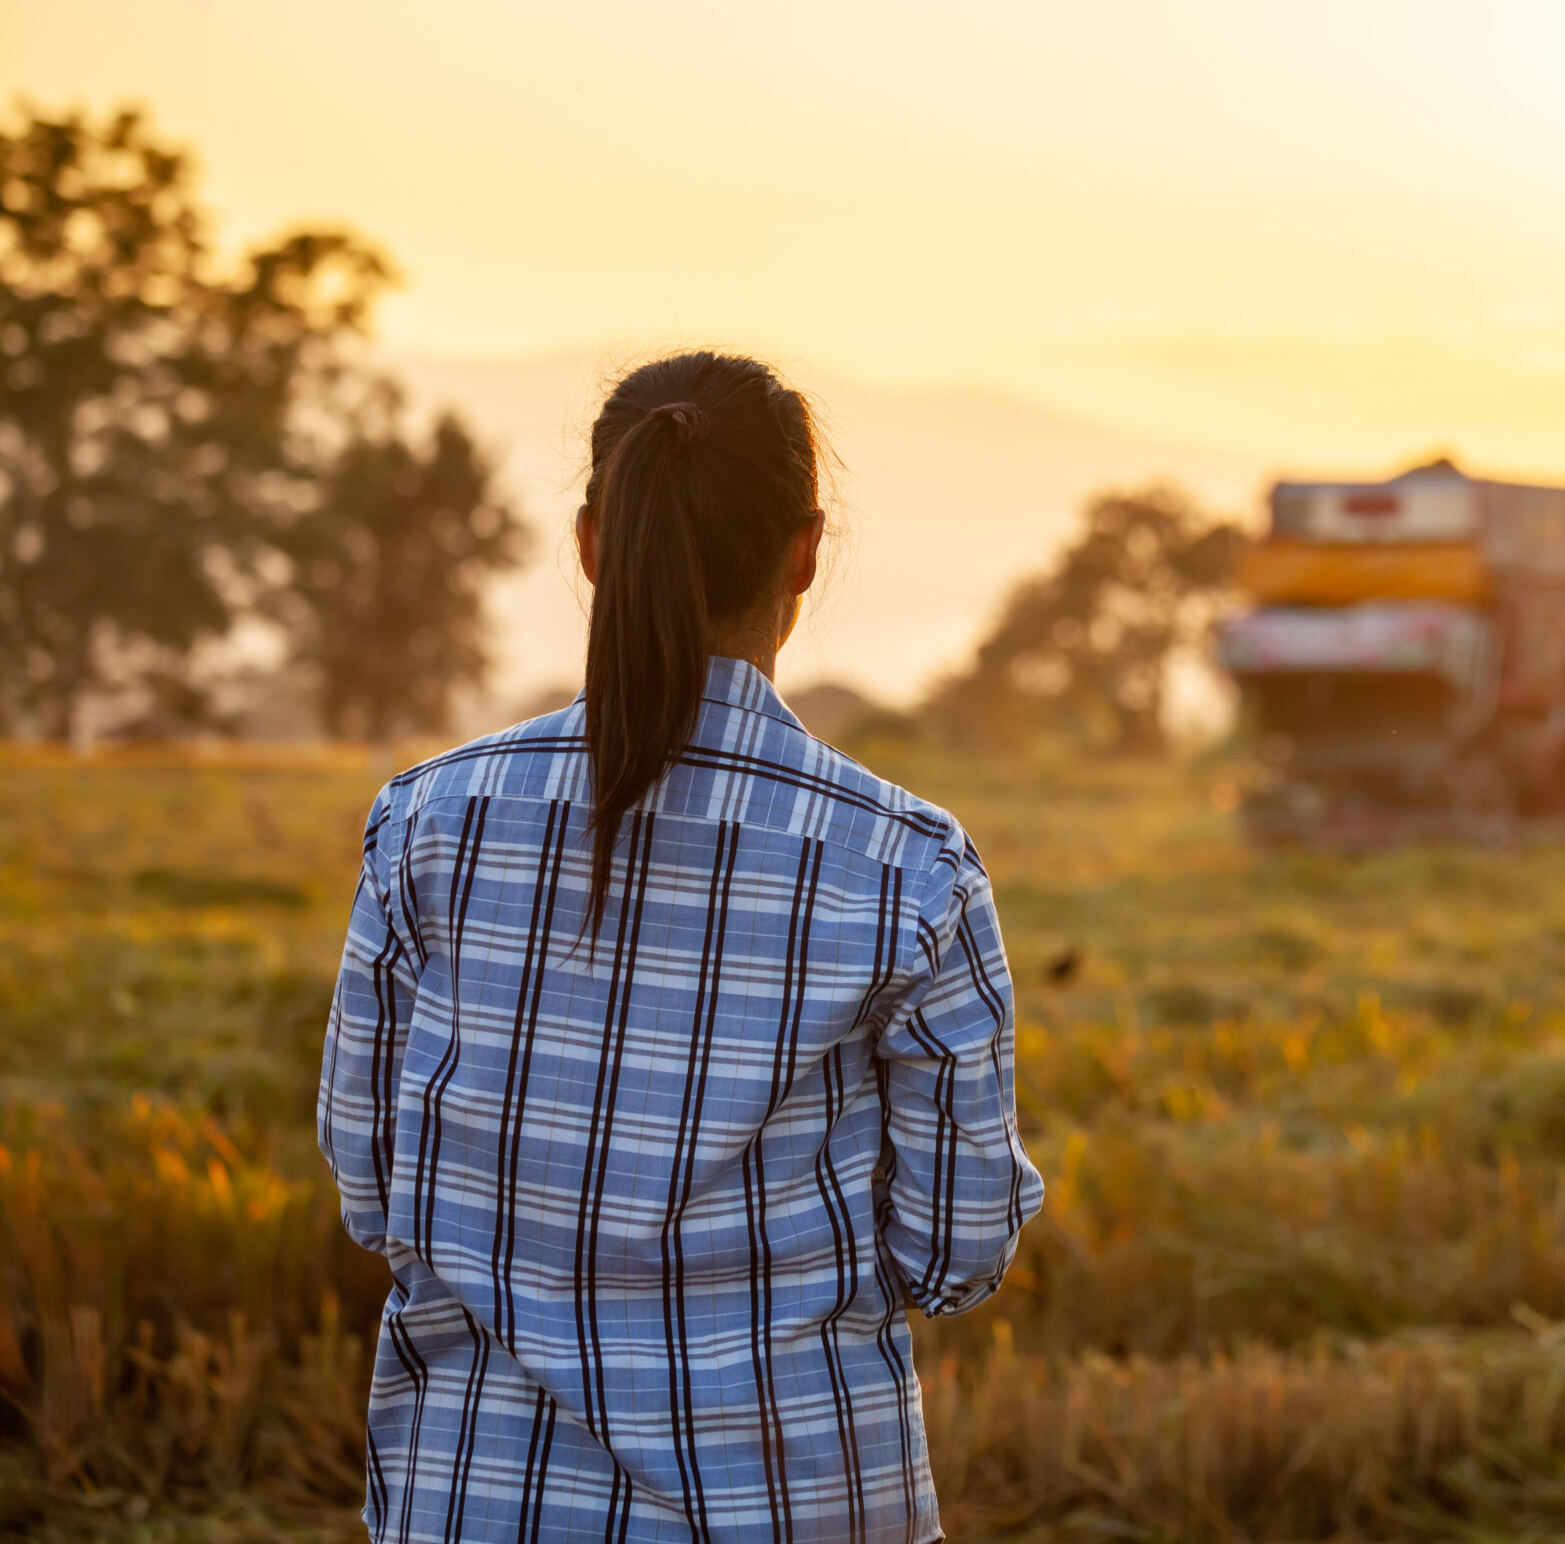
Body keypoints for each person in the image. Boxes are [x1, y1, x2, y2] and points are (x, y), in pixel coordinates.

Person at [318, 352, 1039, 1544]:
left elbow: (373, 1187)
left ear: (595, 541)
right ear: (804, 553)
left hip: (475, 1506)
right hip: (796, 1506)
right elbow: (958, 1252)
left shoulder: (431, 821)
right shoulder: (904, 865)